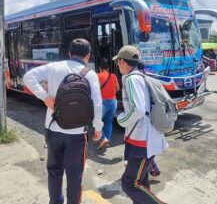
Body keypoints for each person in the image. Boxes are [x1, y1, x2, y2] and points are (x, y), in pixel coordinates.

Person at [23, 38, 103, 204]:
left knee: (54, 171)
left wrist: (45, 97)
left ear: (69, 53)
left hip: (53, 129)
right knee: (74, 175)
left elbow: (28, 76)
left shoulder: (54, 67)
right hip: (77, 134)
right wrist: (97, 128)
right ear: (88, 56)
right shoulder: (90, 74)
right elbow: (97, 104)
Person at [113, 45, 168, 204]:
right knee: (141, 181)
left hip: (141, 141)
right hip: (144, 137)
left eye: (118, 63)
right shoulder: (141, 76)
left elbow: (138, 109)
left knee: (129, 183)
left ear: (122, 62)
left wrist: (121, 119)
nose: (118, 66)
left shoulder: (131, 79)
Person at [97, 58, 120, 150]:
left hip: (102, 102)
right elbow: (117, 88)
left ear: (100, 68)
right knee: (108, 122)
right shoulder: (113, 75)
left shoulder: (97, 75)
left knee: (96, 121)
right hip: (113, 102)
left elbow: (95, 89)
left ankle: (103, 138)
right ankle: (106, 140)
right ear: (108, 68)